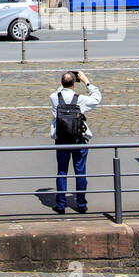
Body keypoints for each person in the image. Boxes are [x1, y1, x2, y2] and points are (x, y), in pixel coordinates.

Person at [50, 70, 102, 214]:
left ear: (62, 83)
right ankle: (81, 204)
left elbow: (59, 91)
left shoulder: (54, 98)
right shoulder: (81, 99)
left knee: (61, 171)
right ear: (74, 83)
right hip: (79, 140)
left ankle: (61, 205)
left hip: (61, 140)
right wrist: (86, 81)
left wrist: (66, 81)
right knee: (80, 172)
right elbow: (97, 98)